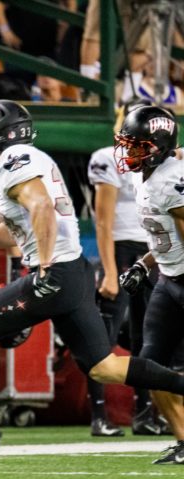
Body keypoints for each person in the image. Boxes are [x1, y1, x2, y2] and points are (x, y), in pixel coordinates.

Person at [0, 99, 184, 455]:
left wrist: (45, 267)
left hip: (57, 273)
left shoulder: (12, 160)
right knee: (104, 367)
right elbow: (21, 226)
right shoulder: (27, 159)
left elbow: (41, 207)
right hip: (73, 271)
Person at [86, 98, 161, 437]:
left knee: (149, 336)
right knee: (104, 336)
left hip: (152, 252)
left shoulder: (161, 161)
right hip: (119, 249)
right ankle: (98, 415)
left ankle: (144, 412)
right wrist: (110, 270)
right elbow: (102, 222)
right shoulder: (107, 158)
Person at [114, 105, 184, 464]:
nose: (129, 153)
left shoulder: (173, 179)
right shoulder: (150, 177)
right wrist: (144, 262)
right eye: (128, 145)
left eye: (137, 146)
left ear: (159, 145)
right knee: (150, 365)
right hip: (169, 279)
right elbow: (166, 238)